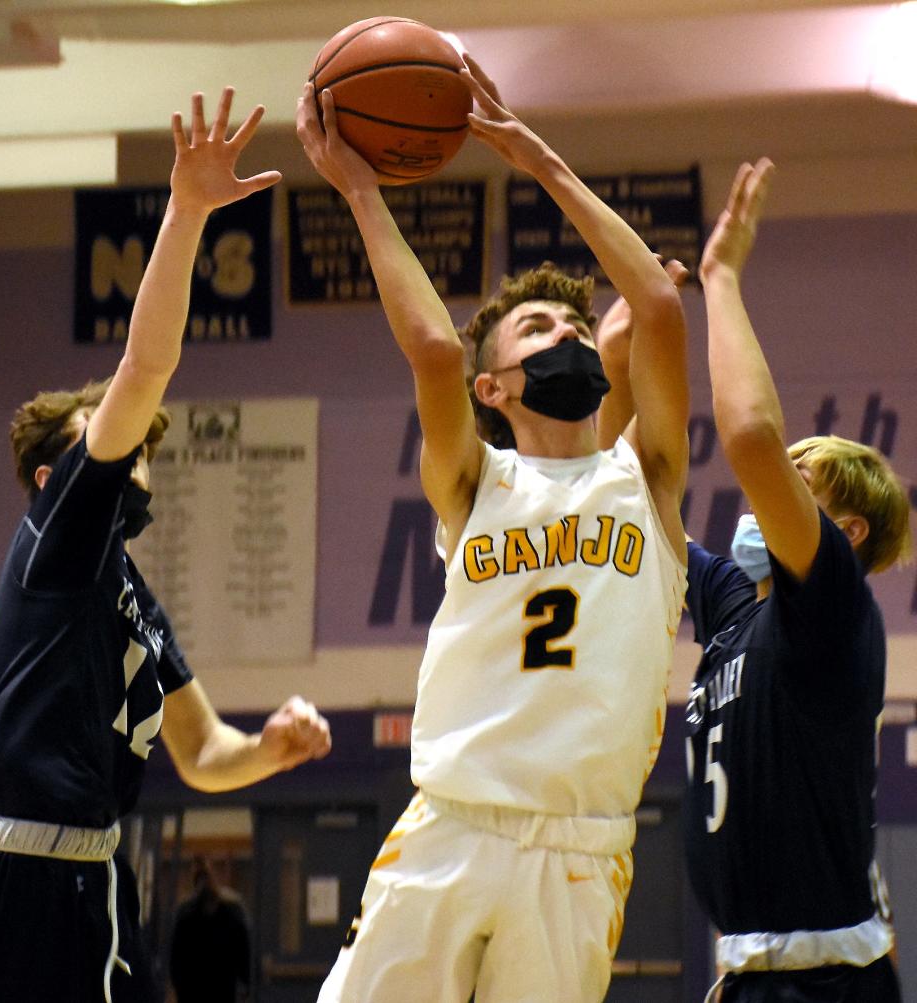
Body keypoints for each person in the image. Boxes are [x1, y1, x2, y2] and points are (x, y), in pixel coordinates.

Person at [297, 55, 689, 1003]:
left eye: (574, 324)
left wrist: (538, 155)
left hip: (581, 848)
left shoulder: (647, 479)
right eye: (537, 329)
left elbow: (661, 306)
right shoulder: (477, 483)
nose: (566, 334)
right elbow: (433, 346)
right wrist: (356, 186)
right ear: (493, 387)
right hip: (454, 824)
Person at [0, 88, 331, 1003]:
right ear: (58, 476)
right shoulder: (57, 538)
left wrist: (274, 748)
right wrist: (188, 209)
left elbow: (204, 756)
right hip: (21, 876)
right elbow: (147, 364)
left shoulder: (127, 594)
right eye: (106, 437)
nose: (135, 452)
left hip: (96, 874)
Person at [599, 159, 911, 1001]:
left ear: (844, 533)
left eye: (796, 485)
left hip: (829, 979)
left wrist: (722, 277)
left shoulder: (831, 605)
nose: (762, 498)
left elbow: (746, 437)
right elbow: (634, 500)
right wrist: (621, 364)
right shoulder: (741, 608)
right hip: (746, 973)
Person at [170, 857, 251, 1003]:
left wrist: (178, 987)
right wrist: (245, 983)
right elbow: (243, 953)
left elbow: (175, 959)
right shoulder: (232, 912)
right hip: (223, 986)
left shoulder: (185, 915)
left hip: (192, 988)